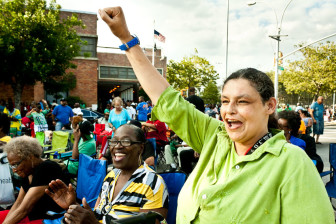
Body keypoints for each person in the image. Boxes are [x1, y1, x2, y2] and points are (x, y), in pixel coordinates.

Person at [99, 7, 334, 223]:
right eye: (224, 101)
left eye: (242, 101)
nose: (229, 110)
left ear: (270, 105)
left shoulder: (291, 162)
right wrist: (126, 39)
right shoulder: (215, 137)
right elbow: (168, 101)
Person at [46, 124, 168, 223]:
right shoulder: (111, 176)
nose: (117, 147)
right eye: (114, 141)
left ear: (141, 148)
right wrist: (72, 205)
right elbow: (99, 214)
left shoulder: (152, 182)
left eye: (125, 142)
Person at [0, 136, 66, 223]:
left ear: (30, 157)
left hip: (49, 218)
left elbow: (25, 209)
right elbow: (18, 203)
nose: (14, 170)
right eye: (12, 166)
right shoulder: (28, 172)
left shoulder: (47, 168)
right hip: (33, 215)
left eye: (16, 164)